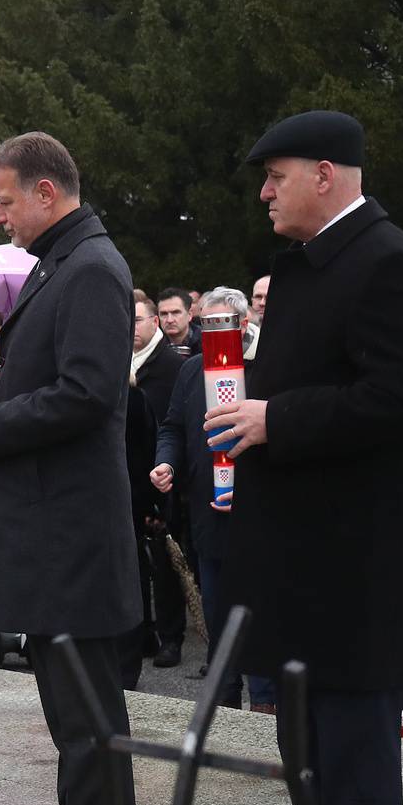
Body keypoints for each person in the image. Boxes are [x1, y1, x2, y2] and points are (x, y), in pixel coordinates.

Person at [208, 110, 403, 805]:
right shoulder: (306, 267)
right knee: (301, 737)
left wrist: (277, 417)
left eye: (277, 175)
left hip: (354, 555)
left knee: (354, 740)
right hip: (298, 547)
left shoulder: (387, 261)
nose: (264, 192)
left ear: (328, 174)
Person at [0, 131, 142, 805]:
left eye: (4, 198)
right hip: (51, 518)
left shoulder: (91, 267)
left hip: (71, 524)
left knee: (84, 689)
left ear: (45, 193)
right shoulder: (65, 262)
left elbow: (88, 393)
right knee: (64, 686)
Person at [151, 287, 272, 710]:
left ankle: (264, 708)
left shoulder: (266, 369)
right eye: (205, 325)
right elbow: (172, 427)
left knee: (257, 618)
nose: (209, 333)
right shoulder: (192, 371)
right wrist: (167, 463)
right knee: (218, 618)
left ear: (243, 326)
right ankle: (222, 707)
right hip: (209, 517)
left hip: (258, 518)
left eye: (221, 325)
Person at [130, 290, 186, 668]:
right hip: (132, 472)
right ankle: (144, 629)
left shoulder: (171, 365)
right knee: (136, 559)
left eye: (137, 320)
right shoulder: (121, 362)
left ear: (154, 324)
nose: (131, 327)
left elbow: (169, 424)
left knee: (168, 562)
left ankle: (172, 637)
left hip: (163, 472)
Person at [155, 288, 195, 357]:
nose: (169, 320)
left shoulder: (207, 344)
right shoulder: (153, 346)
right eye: (164, 314)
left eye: (176, 313)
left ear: (189, 314)